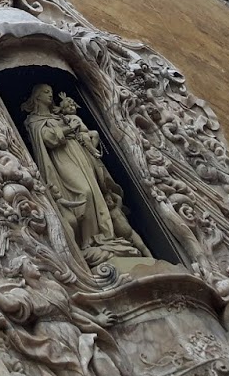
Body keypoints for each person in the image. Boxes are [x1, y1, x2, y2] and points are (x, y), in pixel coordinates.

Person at [22, 84, 148, 266]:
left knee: (96, 193)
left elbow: (83, 132)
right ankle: (87, 241)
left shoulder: (60, 117)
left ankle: (105, 237)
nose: (50, 95)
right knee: (85, 192)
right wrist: (68, 129)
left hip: (80, 155)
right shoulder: (34, 120)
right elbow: (49, 139)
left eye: (51, 91)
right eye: (45, 92)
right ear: (36, 97)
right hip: (61, 159)